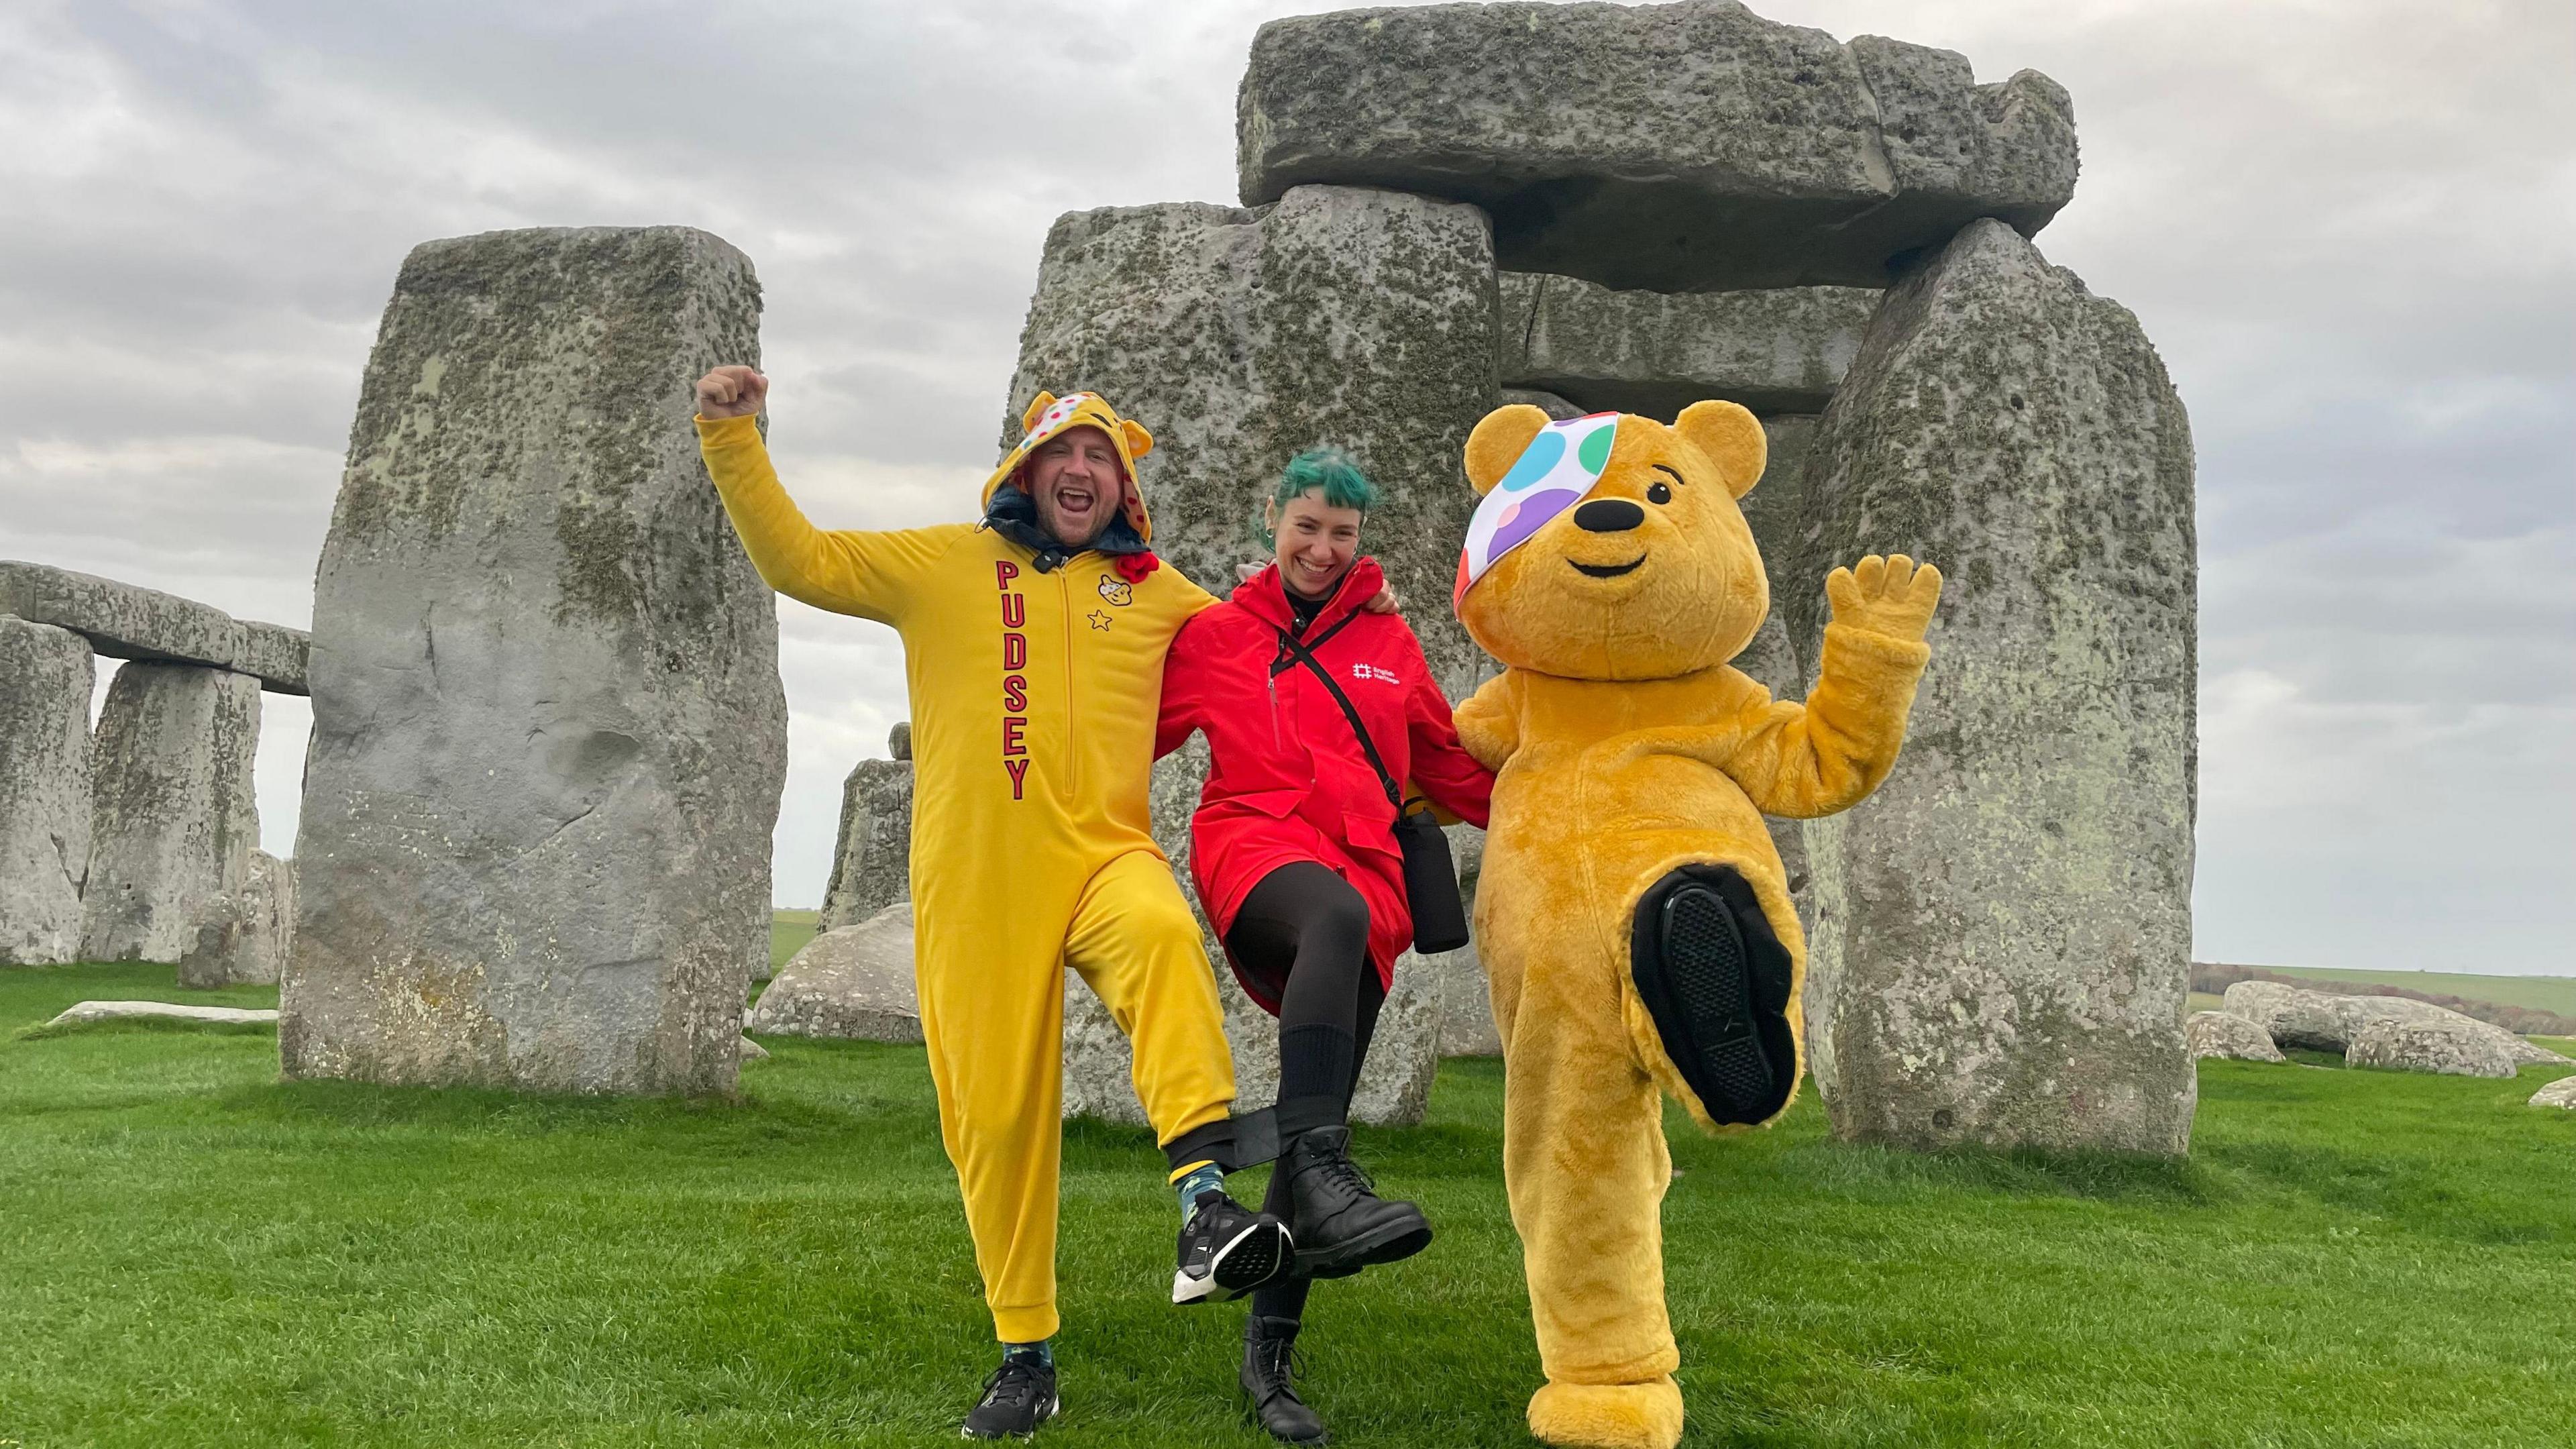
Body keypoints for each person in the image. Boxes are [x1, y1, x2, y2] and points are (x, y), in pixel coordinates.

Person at [694, 370, 1391, 1438]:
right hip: (980, 884)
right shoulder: (944, 563)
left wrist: (1355, 598)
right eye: (1062, 455)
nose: (1081, 472)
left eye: (1102, 459)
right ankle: (1026, 1355)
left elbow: (1269, 644)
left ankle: (1205, 1209)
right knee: (1001, 1118)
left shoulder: (1159, 593)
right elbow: (801, 559)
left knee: (1163, 935)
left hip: (1106, 857)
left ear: (1123, 487)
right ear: (1026, 471)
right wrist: (730, 432)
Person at [1155, 447, 1495, 1444]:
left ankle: (1270, 1365)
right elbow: (1129, 736)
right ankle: (1322, 1166)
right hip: (1257, 854)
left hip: (1371, 888)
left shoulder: (1393, 645)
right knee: (1332, 926)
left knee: (1314, 1130)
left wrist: (1570, 791)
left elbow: (1449, 764)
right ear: (1274, 520)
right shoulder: (1217, 636)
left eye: (1341, 534)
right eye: (1307, 527)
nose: (1322, 547)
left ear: (1360, 541)